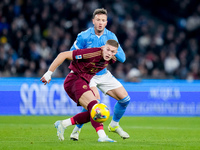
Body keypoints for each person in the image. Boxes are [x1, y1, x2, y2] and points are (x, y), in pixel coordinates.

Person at [70, 8, 130, 141]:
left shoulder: (111, 37)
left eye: (103, 20)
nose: (100, 23)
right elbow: (72, 53)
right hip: (88, 75)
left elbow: (122, 58)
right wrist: (89, 53)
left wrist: (110, 51)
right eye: (98, 20)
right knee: (94, 104)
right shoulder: (84, 36)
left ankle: (114, 125)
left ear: (106, 22)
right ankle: (76, 130)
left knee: (125, 100)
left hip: (103, 74)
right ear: (93, 21)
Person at [40, 40, 119, 142]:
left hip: (84, 82)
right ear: (103, 47)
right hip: (75, 80)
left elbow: (117, 56)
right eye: (107, 49)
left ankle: (63, 124)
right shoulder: (92, 53)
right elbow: (63, 55)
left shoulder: (111, 58)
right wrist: (49, 73)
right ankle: (102, 136)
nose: (109, 53)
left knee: (92, 112)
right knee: (96, 108)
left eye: (112, 52)